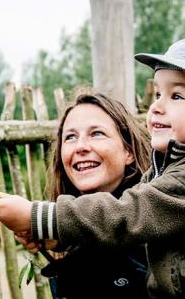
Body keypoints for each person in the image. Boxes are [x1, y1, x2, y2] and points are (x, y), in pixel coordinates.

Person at [0, 31, 185, 298]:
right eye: (158, 92)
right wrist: (60, 235)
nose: (156, 105)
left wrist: (40, 217)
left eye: (176, 95)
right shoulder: (173, 167)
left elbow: (130, 212)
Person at [30, 93, 151, 298]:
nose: (80, 147)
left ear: (128, 151)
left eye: (96, 134)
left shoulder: (152, 222)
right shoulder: (68, 237)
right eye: (70, 137)